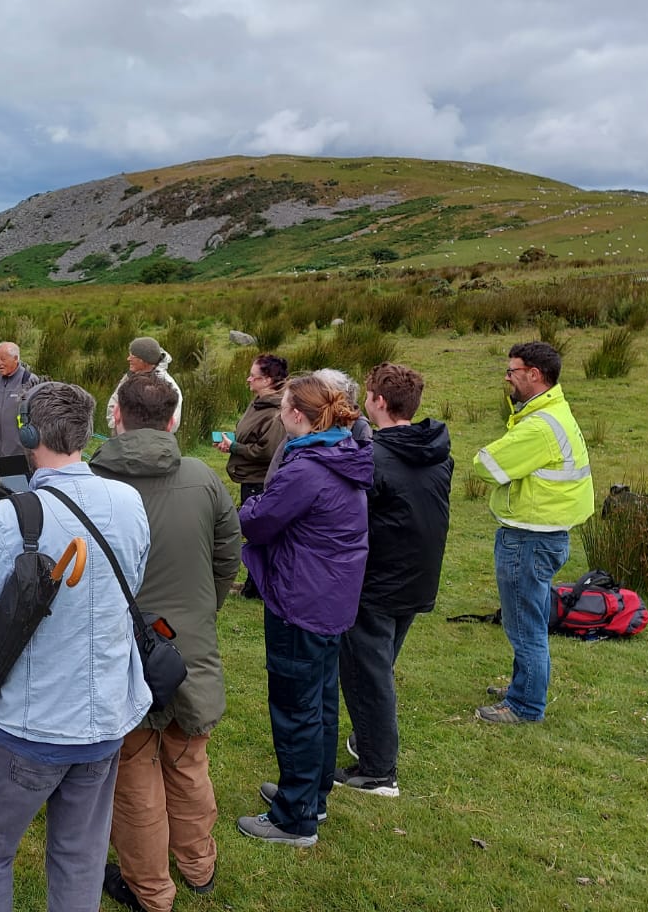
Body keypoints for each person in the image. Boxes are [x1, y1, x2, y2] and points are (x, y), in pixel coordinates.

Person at [0, 382, 150, 911]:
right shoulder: (130, 503)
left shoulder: (15, 515)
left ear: (29, 434)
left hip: (28, 725)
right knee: (80, 855)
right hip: (106, 718)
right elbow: (132, 583)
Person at [89, 373, 239, 908]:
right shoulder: (203, 478)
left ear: (118, 418)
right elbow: (228, 557)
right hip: (187, 648)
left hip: (121, 651)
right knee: (187, 760)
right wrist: (201, 612)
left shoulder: (88, 485)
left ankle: (151, 888)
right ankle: (196, 866)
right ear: (173, 419)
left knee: (134, 775)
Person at [236, 373, 371, 847]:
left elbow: (259, 520)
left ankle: (294, 818)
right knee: (319, 700)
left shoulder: (305, 468)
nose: (278, 411)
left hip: (301, 599)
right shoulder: (338, 453)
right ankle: (311, 793)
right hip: (328, 597)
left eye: (284, 404)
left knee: (295, 706)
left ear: (297, 414)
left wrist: (239, 511)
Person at [336, 364, 452, 796]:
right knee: (378, 666)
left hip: (379, 582)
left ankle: (378, 770)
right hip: (418, 577)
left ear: (378, 403)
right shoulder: (437, 449)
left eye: (368, 394)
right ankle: (370, 739)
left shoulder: (375, 456)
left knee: (368, 673)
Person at [472, 341, 594, 725]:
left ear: (534, 375)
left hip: (529, 537)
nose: (507, 377)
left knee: (523, 623)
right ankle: (523, 686)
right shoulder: (553, 410)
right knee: (531, 617)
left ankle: (525, 706)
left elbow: (486, 465)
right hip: (547, 533)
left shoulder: (540, 426)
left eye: (512, 371)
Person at [217, 353, 288, 505]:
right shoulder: (258, 402)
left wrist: (235, 447)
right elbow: (251, 434)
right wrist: (230, 442)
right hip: (249, 480)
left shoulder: (276, 413)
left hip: (260, 484)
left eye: (252, 376)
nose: (248, 379)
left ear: (266, 380)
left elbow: (267, 452)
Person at [0, 342, 43, 499]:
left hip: (20, 455)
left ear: (16, 358)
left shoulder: (29, 381)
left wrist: (26, 440)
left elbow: (40, 415)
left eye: (3, 359)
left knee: (21, 498)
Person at [105, 337, 182, 436]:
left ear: (143, 360)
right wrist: (116, 427)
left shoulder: (169, 386)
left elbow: (173, 422)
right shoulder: (128, 377)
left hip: (154, 445)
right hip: (122, 441)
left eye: (133, 356)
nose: (128, 359)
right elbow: (114, 403)